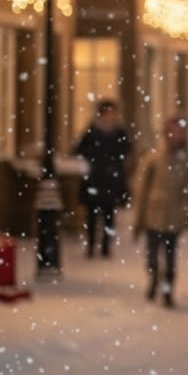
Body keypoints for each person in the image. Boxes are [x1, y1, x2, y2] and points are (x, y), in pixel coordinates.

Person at [132, 115, 188, 308]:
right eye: (171, 131)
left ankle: (168, 290)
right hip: (154, 214)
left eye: (178, 132)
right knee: (152, 254)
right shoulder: (154, 157)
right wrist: (140, 214)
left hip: (174, 215)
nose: (174, 135)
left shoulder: (186, 159)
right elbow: (141, 187)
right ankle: (154, 278)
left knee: (170, 256)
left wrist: (186, 208)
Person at [73, 99, 132, 259]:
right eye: (108, 113)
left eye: (113, 113)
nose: (110, 116)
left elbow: (126, 150)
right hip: (94, 179)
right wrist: (93, 161)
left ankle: (106, 246)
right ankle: (91, 245)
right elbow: (80, 149)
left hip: (111, 180)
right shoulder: (93, 131)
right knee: (92, 216)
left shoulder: (118, 132)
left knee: (109, 216)